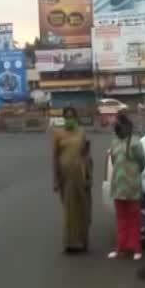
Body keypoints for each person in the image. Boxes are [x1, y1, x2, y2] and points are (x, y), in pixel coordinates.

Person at [51, 107, 92, 253]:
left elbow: (87, 154)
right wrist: (55, 179)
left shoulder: (81, 132)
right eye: (67, 117)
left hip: (80, 175)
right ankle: (70, 243)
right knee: (69, 209)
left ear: (75, 118)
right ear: (64, 118)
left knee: (82, 208)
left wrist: (88, 174)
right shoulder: (57, 134)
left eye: (71, 116)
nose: (69, 119)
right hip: (65, 177)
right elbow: (55, 157)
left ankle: (82, 242)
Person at [107, 113, 145, 261]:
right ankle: (121, 248)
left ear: (125, 125)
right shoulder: (114, 142)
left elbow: (142, 162)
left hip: (132, 186)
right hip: (118, 185)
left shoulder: (135, 142)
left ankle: (136, 248)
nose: (116, 127)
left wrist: (134, 173)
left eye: (118, 124)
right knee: (121, 218)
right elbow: (113, 160)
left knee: (134, 218)